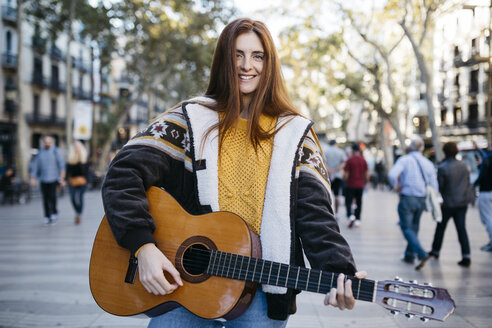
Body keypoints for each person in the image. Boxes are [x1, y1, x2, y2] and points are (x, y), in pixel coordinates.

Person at [102, 18, 365, 327]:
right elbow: (122, 174)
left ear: (269, 64)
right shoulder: (189, 120)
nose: (246, 65)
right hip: (181, 285)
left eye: (258, 56)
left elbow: (316, 216)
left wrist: (340, 272)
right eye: (237, 55)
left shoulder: (295, 135)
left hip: (261, 291)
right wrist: (143, 247)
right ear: (223, 60)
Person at [387, 137, 437, 270]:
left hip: (408, 198)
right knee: (414, 228)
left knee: (407, 228)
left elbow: (392, 175)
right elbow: (433, 184)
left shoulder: (404, 160)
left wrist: (396, 186)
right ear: (422, 149)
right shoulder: (428, 163)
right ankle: (409, 255)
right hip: (421, 199)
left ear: (410, 148)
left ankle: (421, 254)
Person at [428, 142, 471, 267]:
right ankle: (466, 255)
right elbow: (467, 183)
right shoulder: (464, 165)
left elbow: (440, 186)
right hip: (462, 203)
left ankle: (435, 251)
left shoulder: (443, 167)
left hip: (447, 203)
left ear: (445, 152)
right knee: (461, 229)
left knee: (440, 228)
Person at [30, 135, 65, 225]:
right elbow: (35, 166)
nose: (47, 143)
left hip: (54, 178)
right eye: (46, 142)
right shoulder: (40, 153)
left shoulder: (56, 151)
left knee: (52, 197)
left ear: (52, 142)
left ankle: (53, 212)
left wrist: (62, 178)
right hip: (43, 179)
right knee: (45, 198)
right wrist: (32, 178)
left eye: (49, 142)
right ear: (43, 142)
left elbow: (61, 165)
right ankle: (46, 215)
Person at [343, 143, 368, 228]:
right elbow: (367, 174)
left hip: (351, 184)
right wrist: (366, 183)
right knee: (359, 202)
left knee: (348, 201)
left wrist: (346, 182)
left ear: (353, 150)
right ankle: (357, 220)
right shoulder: (363, 160)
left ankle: (350, 216)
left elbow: (346, 174)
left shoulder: (350, 160)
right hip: (360, 185)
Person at [66, 141, 89, 224]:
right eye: (75, 146)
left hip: (82, 181)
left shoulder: (84, 158)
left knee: (80, 197)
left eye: (78, 147)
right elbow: (68, 171)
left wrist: (80, 159)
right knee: (72, 198)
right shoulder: (70, 158)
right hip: (72, 181)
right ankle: (77, 211)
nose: (77, 148)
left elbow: (86, 171)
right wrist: (65, 180)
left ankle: (78, 214)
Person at [323, 139, 347, 220]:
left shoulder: (325, 151)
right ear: (336, 144)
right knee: (337, 196)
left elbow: (323, 163)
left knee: (327, 195)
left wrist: (329, 171)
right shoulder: (340, 151)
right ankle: (336, 213)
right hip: (337, 176)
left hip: (327, 175)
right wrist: (335, 170)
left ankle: (328, 212)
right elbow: (344, 163)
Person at [477, 143, 492, 252]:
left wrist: (473, 184)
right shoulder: (487, 157)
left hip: (486, 191)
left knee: (487, 218)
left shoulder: (487, 158)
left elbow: (482, 175)